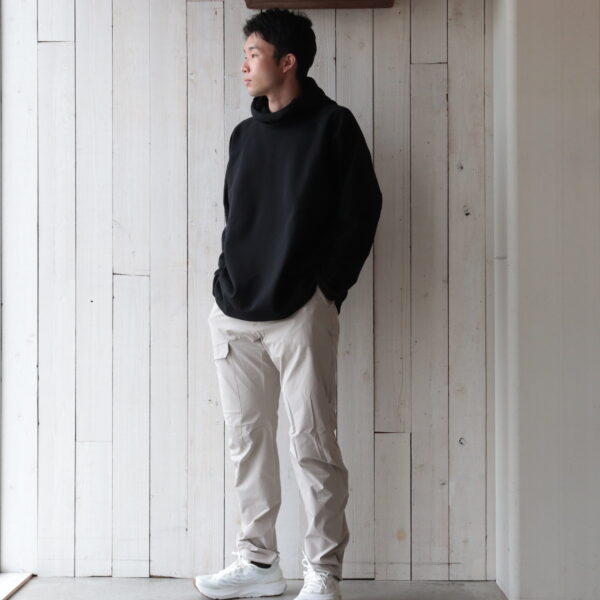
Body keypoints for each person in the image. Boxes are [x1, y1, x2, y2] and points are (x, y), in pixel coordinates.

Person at [194, 8, 382, 600]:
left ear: (287, 61)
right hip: (235, 311)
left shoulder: (334, 126)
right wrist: (224, 281)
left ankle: (322, 571)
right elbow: (236, 218)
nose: (243, 65)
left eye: (253, 53)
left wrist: (327, 291)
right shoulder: (245, 135)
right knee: (246, 443)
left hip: (300, 310)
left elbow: (362, 212)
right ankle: (257, 562)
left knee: (313, 445)